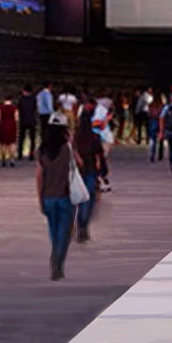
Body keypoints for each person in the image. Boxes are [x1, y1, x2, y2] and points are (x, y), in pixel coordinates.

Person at [36, 122, 76, 280]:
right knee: (64, 233)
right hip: (65, 196)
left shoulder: (42, 151)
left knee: (54, 231)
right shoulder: (67, 149)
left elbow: (39, 177)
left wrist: (40, 198)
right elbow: (78, 164)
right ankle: (57, 262)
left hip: (48, 197)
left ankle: (56, 257)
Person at [73, 99, 102, 242]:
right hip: (90, 170)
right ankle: (83, 226)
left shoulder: (76, 138)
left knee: (78, 199)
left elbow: (72, 151)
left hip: (78, 171)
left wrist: (78, 159)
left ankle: (79, 225)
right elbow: (98, 155)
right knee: (88, 198)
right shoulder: (94, 137)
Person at [17, 84, 39, 161]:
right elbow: (35, 108)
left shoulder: (21, 99)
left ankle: (19, 154)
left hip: (23, 120)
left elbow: (19, 109)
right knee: (32, 139)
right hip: (32, 120)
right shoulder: (34, 99)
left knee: (21, 138)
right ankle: (31, 155)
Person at [0, 94, 19, 166]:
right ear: (11, 100)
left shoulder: (1, 108)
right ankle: (12, 160)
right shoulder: (14, 108)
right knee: (12, 143)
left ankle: (3, 159)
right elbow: (16, 118)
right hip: (12, 125)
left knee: (3, 143)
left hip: (3, 125)